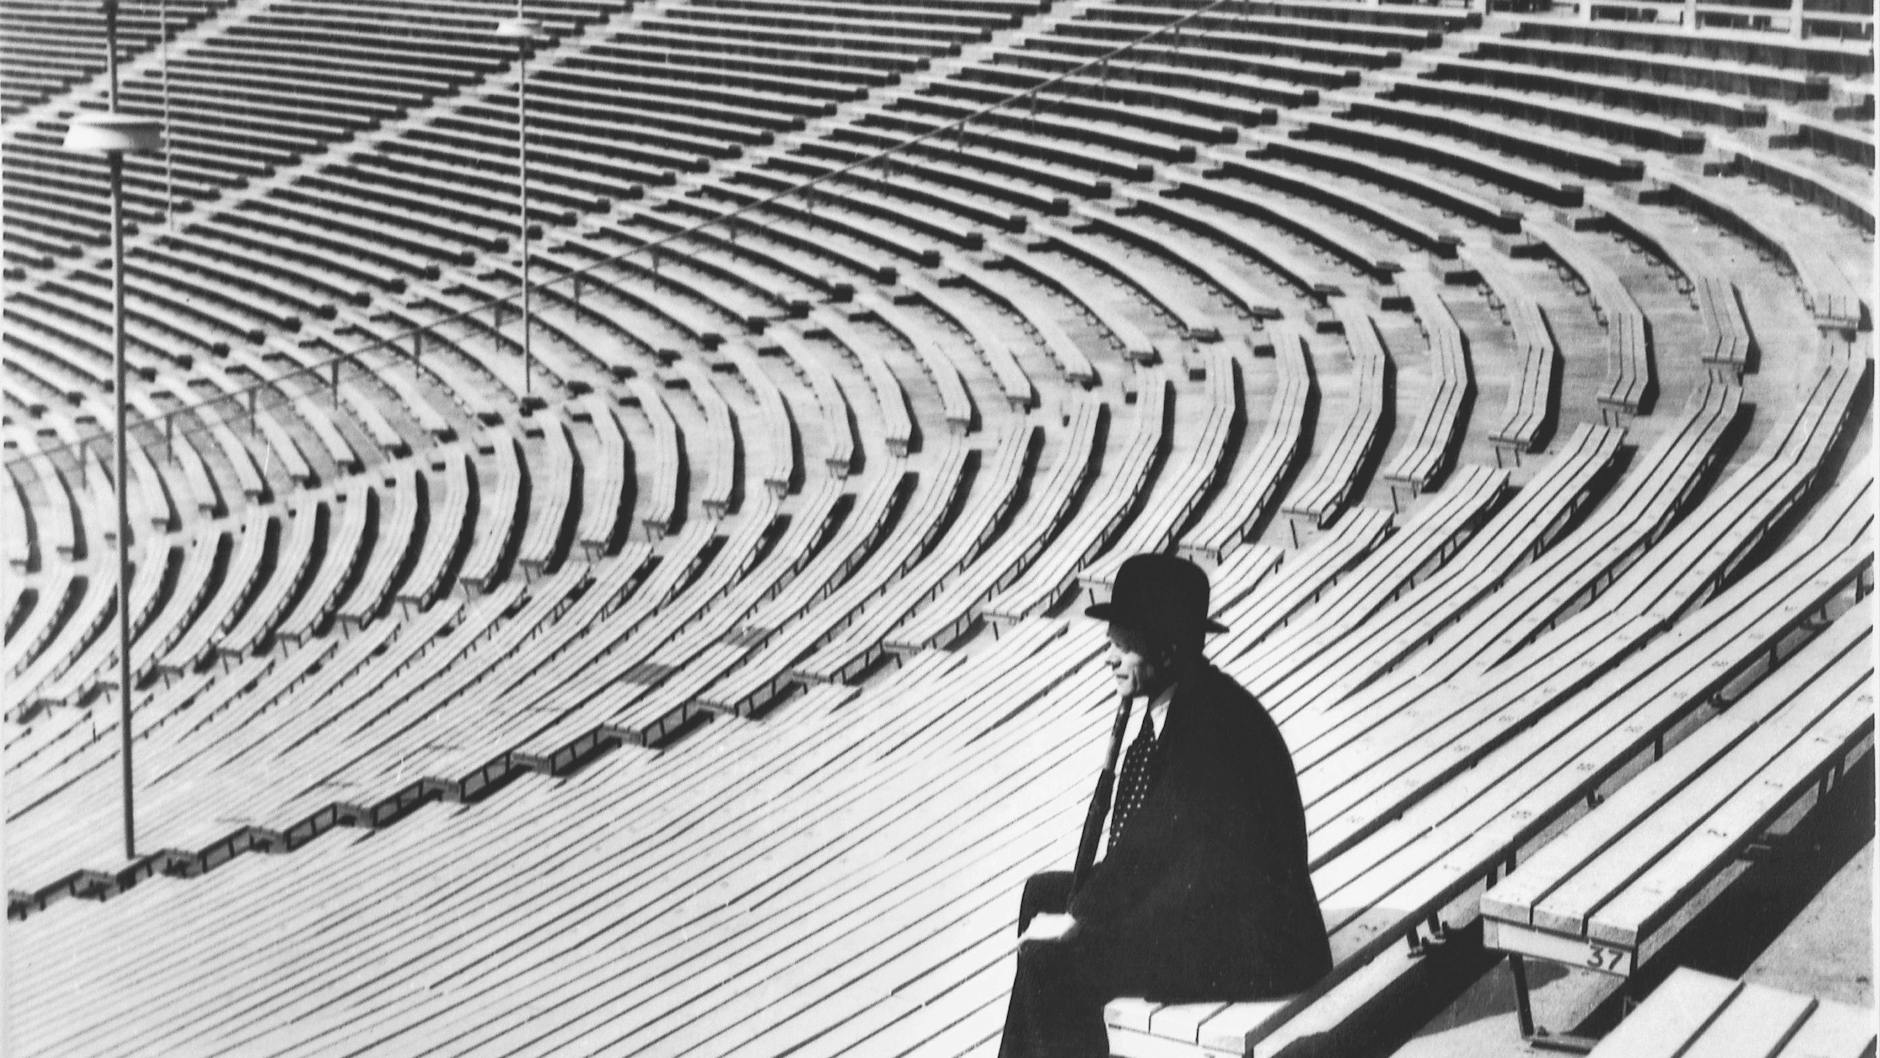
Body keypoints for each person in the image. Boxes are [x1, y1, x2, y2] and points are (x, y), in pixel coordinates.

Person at [997, 553, 1332, 1058]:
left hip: (1255, 945)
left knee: (1051, 959)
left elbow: (1150, 845)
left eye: (1125, 641)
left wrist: (1081, 917)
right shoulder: (1192, 699)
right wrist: (1078, 910)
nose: (1109, 654)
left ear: (1169, 648)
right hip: (1213, 911)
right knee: (1039, 895)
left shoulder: (1210, 725)